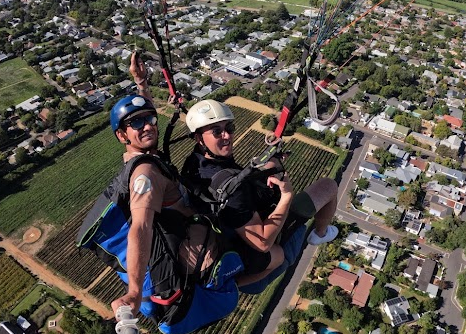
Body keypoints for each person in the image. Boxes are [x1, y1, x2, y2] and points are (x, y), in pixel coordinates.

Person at [181, 99, 339, 287]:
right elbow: (262, 242)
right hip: (254, 254)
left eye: (229, 127)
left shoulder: (195, 164)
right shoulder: (233, 190)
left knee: (272, 164)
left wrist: (272, 158)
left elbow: (239, 183)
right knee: (328, 187)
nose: (227, 135)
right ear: (199, 138)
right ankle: (320, 234)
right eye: (216, 131)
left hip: (227, 233)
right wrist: (286, 198)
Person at [110, 53, 209, 316]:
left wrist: (141, 83)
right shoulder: (145, 173)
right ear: (122, 135)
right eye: (136, 123)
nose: (148, 127)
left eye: (150, 119)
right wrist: (134, 290)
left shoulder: (147, 155)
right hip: (188, 239)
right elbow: (141, 227)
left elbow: (145, 114)